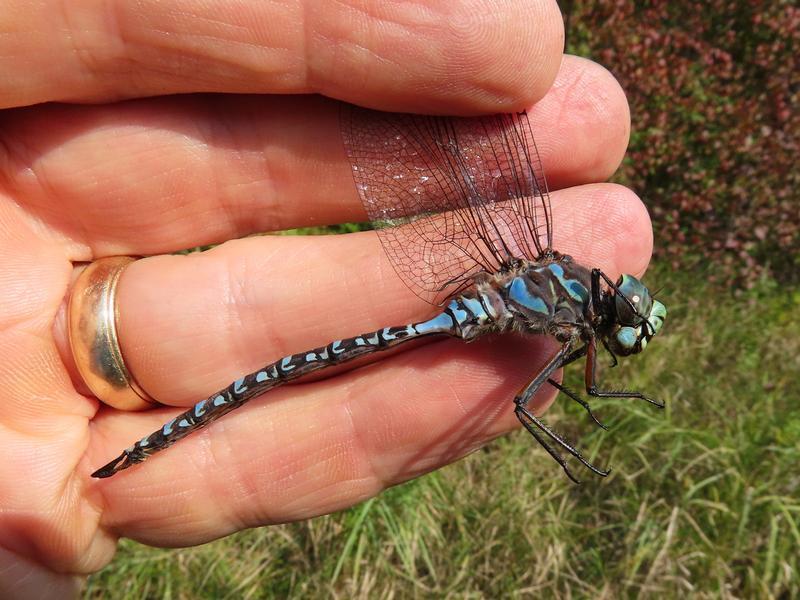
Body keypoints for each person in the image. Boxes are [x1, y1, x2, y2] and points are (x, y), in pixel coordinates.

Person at [0, 1, 651, 597]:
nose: (622, 317)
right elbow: (533, 400)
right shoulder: (573, 316)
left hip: (478, 301)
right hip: (473, 307)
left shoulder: (569, 295)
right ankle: (152, 441)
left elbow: (581, 384)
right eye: (625, 315)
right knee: (523, 398)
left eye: (625, 313)